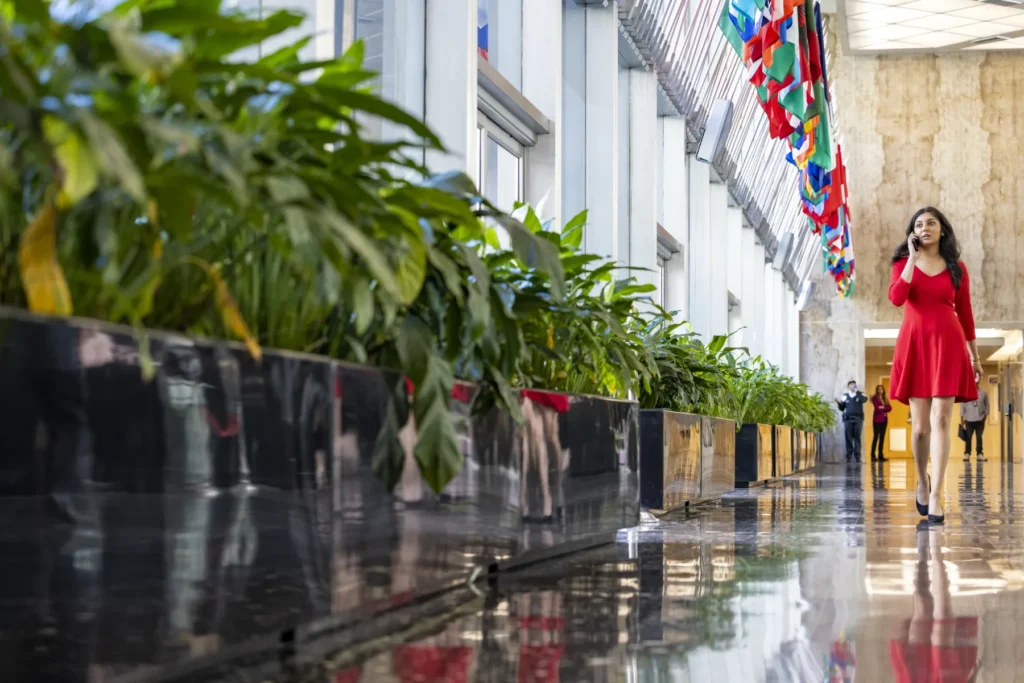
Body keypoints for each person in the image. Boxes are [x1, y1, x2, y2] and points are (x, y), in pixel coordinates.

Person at [889, 207, 980, 525]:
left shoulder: (958, 268)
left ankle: (937, 493)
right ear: (912, 232)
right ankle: (922, 481)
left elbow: (965, 312)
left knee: (942, 419)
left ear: (943, 229)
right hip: (915, 344)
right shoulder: (903, 264)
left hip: (948, 344)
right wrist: (912, 259)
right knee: (920, 427)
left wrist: (974, 354)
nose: (926, 227)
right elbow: (897, 298)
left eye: (932, 223)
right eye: (919, 224)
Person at [960, 372, 989, 463]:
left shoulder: (984, 393)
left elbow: (987, 406)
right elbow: (962, 406)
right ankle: (967, 453)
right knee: (968, 437)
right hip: (968, 420)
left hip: (980, 420)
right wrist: (962, 420)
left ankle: (979, 454)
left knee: (979, 437)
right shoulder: (966, 393)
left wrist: (984, 418)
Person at [836, 381, 868, 463]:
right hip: (848, 420)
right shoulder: (845, 396)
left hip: (858, 419)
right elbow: (842, 408)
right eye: (851, 385)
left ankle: (858, 457)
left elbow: (864, 400)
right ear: (848, 386)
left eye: (854, 385)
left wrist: (857, 392)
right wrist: (838, 402)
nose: (852, 386)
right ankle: (849, 457)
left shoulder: (860, 394)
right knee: (848, 438)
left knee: (857, 438)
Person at [870, 385, 892, 462]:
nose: (881, 390)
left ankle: (880, 455)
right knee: (876, 437)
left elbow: (890, 408)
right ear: (877, 390)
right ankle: (873, 455)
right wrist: (884, 408)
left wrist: (882, 408)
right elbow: (877, 408)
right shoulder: (874, 398)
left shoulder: (885, 398)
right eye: (879, 389)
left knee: (882, 438)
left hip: (884, 420)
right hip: (877, 420)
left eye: (882, 389)